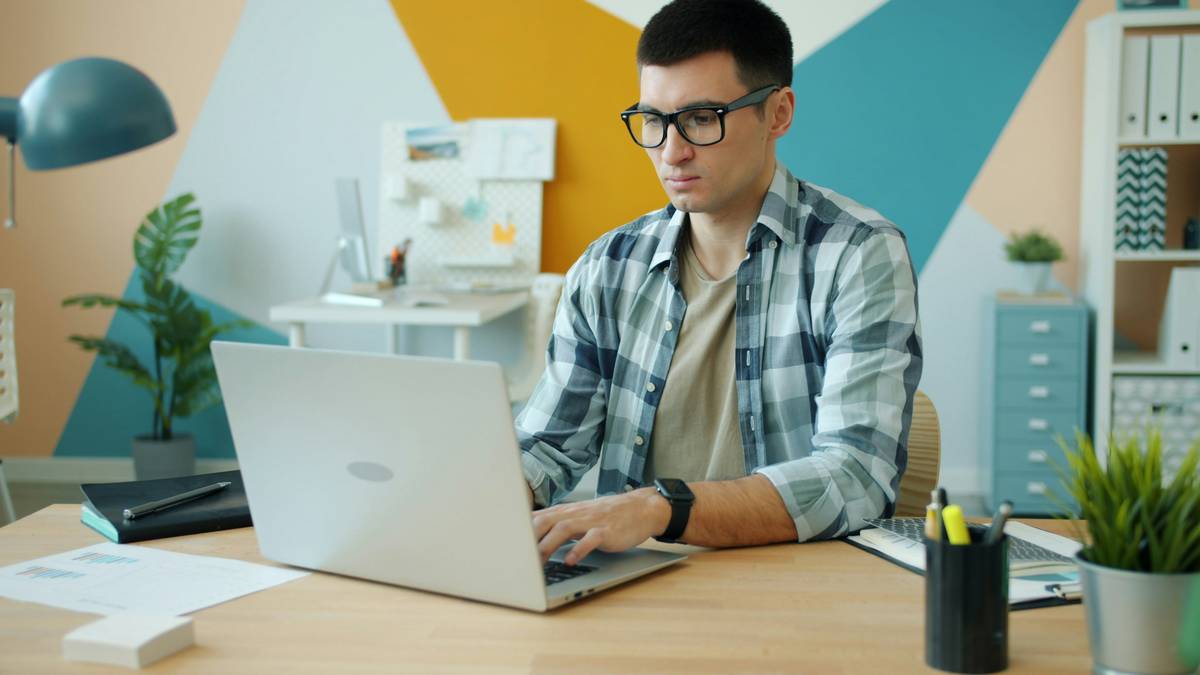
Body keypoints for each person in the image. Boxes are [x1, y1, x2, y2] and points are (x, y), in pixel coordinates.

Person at [516, 0, 922, 566]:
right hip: (632, 588)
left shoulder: (858, 253)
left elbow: (854, 475)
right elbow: (549, 446)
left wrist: (660, 508)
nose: (671, 150)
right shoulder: (608, 265)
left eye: (703, 118)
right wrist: (476, 494)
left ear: (777, 114)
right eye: (654, 121)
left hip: (794, 588)